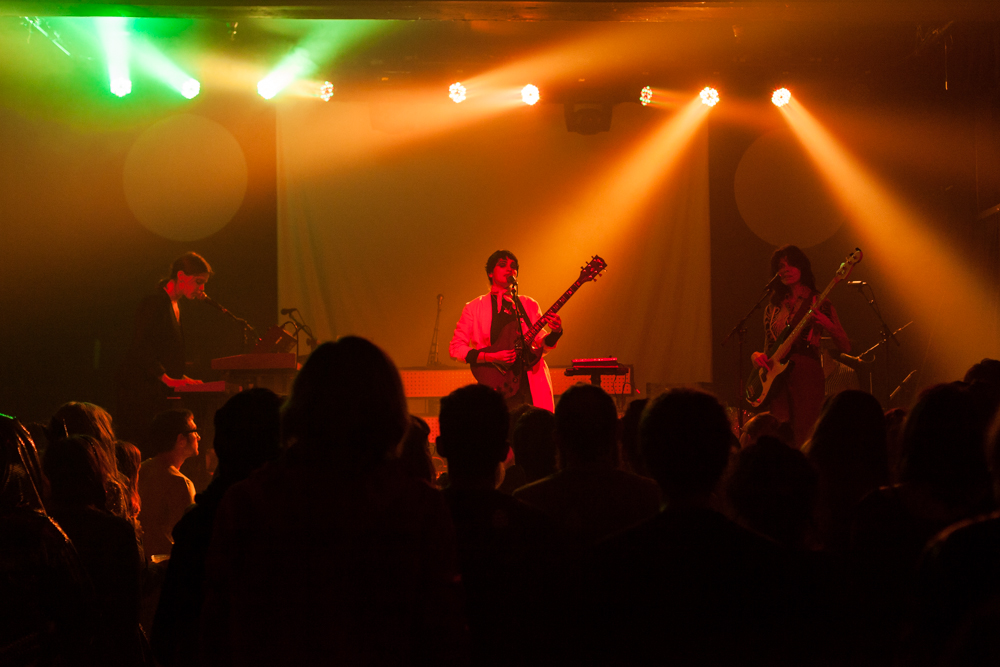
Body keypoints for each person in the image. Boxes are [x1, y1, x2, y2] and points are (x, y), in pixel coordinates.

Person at [200, 337, 467, 665]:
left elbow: (215, 630)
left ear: (303, 406)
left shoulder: (248, 501)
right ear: (389, 410)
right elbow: (443, 634)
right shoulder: (417, 505)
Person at [751, 245, 850, 446]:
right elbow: (768, 347)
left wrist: (828, 324)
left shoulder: (819, 301)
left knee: (806, 429)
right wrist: (756, 357)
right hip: (777, 375)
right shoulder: (773, 307)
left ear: (802, 267)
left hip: (806, 370)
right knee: (779, 429)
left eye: (791, 264)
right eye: (781, 266)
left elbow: (845, 346)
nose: (785, 269)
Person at [115, 252, 211, 452]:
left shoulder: (174, 305)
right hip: (141, 396)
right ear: (181, 276)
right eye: (198, 281)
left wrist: (180, 376)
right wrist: (167, 378)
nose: (202, 289)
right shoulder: (155, 302)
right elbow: (140, 347)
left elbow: (163, 351)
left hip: (156, 394)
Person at [449, 250, 562, 412]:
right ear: (490, 273)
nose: (510, 269)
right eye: (502, 265)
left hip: (530, 383)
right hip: (496, 385)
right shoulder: (474, 307)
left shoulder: (528, 304)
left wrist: (556, 332)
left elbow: (541, 343)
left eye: (513, 266)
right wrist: (490, 357)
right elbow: (455, 348)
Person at [137, 409, 200, 561]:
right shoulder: (179, 483)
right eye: (194, 431)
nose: (198, 436)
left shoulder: (140, 470)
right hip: (166, 566)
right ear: (181, 439)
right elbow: (189, 537)